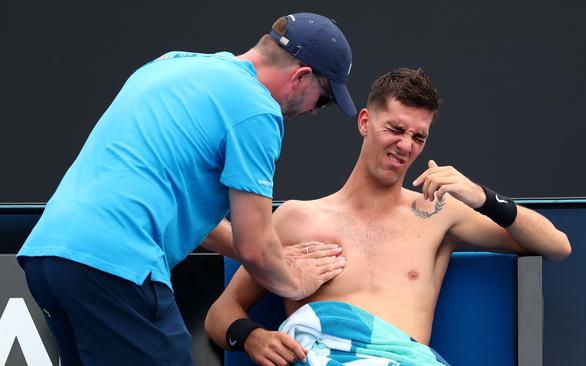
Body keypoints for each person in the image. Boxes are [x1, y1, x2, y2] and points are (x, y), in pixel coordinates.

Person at [17, 13, 354, 365]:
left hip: (48, 257)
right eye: (324, 99)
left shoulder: (170, 64)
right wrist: (295, 280)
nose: (316, 110)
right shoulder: (257, 110)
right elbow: (255, 248)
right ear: (301, 76)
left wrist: (276, 257)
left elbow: (193, 217)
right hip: (116, 265)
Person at [204, 68, 572, 366]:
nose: (406, 145)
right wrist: (252, 336)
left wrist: (481, 197)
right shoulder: (296, 218)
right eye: (395, 129)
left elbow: (556, 245)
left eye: (418, 137)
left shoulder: (438, 215)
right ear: (365, 122)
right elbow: (220, 314)